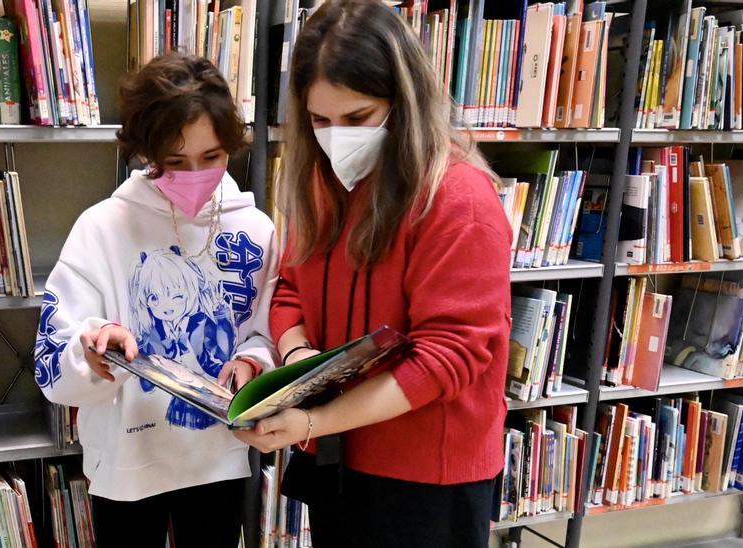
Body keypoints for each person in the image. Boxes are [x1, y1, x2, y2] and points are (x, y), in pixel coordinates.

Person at [233, 1, 513, 546]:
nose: (337, 137)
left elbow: (448, 355)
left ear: (402, 103)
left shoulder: (458, 198)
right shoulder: (324, 184)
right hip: (338, 458)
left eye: (357, 119)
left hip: (423, 473)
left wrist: (317, 420)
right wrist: (297, 360)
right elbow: (289, 284)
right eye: (319, 121)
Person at [35, 52, 278, 547]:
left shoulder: (255, 229)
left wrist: (251, 362)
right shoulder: (101, 228)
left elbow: (267, 330)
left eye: (212, 157)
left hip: (218, 462)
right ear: (146, 152)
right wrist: (95, 352)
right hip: (126, 469)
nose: (196, 174)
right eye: (175, 162)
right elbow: (51, 364)